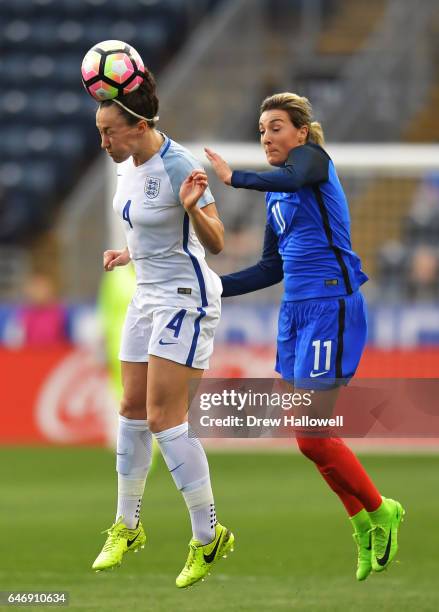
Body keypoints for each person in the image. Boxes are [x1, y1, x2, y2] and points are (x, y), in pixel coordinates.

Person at [205, 92, 404, 581]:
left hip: (330, 305)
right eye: (261, 129)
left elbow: (295, 175)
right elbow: (270, 267)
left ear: (300, 131)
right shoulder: (278, 194)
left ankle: (382, 510)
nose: (266, 136)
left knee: (315, 431)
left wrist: (234, 178)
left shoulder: (312, 162)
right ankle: (361, 522)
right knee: (307, 440)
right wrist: (212, 289)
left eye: (275, 127)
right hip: (293, 313)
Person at [91, 70, 234, 588]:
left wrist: (195, 210)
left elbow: (215, 242)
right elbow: (154, 230)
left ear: (137, 125)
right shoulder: (128, 165)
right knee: (129, 410)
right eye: (100, 131)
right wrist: (128, 252)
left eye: (109, 131)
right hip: (146, 294)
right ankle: (127, 526)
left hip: (185, 299)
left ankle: (208, 533)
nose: (103, 141)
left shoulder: (180, 165)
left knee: (163, 419)